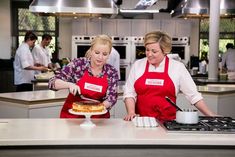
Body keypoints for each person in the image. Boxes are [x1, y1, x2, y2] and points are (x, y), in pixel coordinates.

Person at [123, 31, 216, 122]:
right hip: (142, 122)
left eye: (154, 51)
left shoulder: (177, 67)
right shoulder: (138, 65)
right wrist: (131, 112)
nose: (149, 54)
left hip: (168, 123)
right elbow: (129, 93)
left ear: (165, 51)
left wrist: (211, 115)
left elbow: (194, 96)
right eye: (147, 50)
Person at [48, 34, 119, 118]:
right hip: (72, 117)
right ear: (91, 50)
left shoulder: (111, 72)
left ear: (109, 54)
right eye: (97, 53)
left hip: (98, 118)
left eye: (104, 54)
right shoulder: (78, 64)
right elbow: (52, 82)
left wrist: (94, 109)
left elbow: (111, 98)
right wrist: (69, 85)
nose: (100, 57)